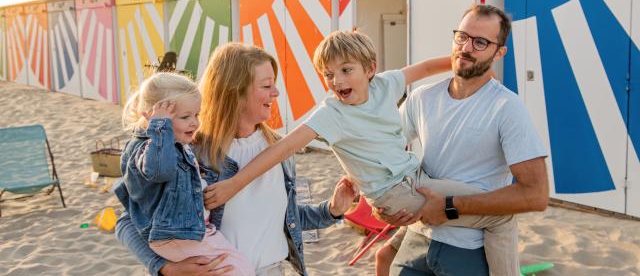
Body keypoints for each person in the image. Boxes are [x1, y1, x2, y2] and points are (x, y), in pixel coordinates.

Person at [206, 30, 520, 275]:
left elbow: (425, 67)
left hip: (415, 178)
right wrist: (234, 184)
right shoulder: (331, 113)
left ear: (370, 69)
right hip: (393, 194)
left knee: (492, 203)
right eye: (328, 74)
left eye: (345, 70)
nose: (336, 81)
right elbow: (283, 147)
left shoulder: (385, 85)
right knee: (500, 214)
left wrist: (471, 70)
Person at [115, 43, 358, 276]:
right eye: (266, 85)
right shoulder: (190, 150)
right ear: (234, 91)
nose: (276, 92)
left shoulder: (281, 150)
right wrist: (163, 267)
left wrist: (332, 210)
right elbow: (128, 220)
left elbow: (284, 217)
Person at [381, 4, 549, 276]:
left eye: (480, 42)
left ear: (499, 52)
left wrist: (450, 206)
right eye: (462, 36)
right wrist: (382, 208)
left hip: (469, 249)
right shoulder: (422, 97)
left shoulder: (506, 107)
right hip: (417, 237)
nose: (467, 48)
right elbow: (382, 152)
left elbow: (536, 195)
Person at [114, 72, 254, 275]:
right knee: (239, 270)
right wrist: (161, 128)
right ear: (152, 118)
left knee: (238, 267)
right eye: (185, 117)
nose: (195, 123)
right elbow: (160, 171)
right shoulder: (148, 148)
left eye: (196, 115)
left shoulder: (177, 144)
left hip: (190, 232)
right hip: (177, 235)